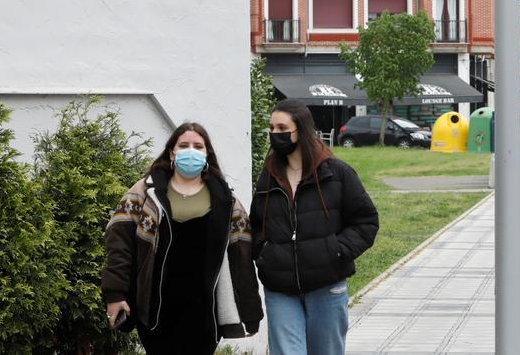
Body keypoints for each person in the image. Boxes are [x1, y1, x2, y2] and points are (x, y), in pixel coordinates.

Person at [102, 122, 263, 354]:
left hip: (204, 312)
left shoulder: (226, 202)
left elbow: (242, 258)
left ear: (207, 154)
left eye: (198, 146)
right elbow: (119, 246)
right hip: (155, 310)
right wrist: (115, 293)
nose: (191, 151)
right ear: (171, 152)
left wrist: (250, 311)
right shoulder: (144, 194)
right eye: (184, 145)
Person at [251, 99, 379, 355]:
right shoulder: (269, 175)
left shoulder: (337, 173)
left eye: (281, 127)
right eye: (272, 128)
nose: (275, 134)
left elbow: (366, 222)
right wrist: (265, 253)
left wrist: (336, 250)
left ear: (301, 129)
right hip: (280, 286)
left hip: (326, 283)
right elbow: (256, 225)